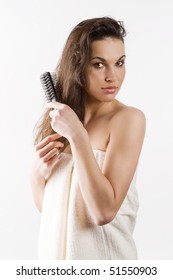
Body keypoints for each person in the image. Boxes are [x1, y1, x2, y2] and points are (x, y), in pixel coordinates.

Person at [29, 16, 146, 260]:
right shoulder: (62, 120)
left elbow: (102, 212)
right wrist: (36, 175)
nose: (112, 76)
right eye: (99, 64)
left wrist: (77, 136)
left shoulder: (128, 120)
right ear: (78, 66)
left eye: (120, 63)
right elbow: (58, 212)